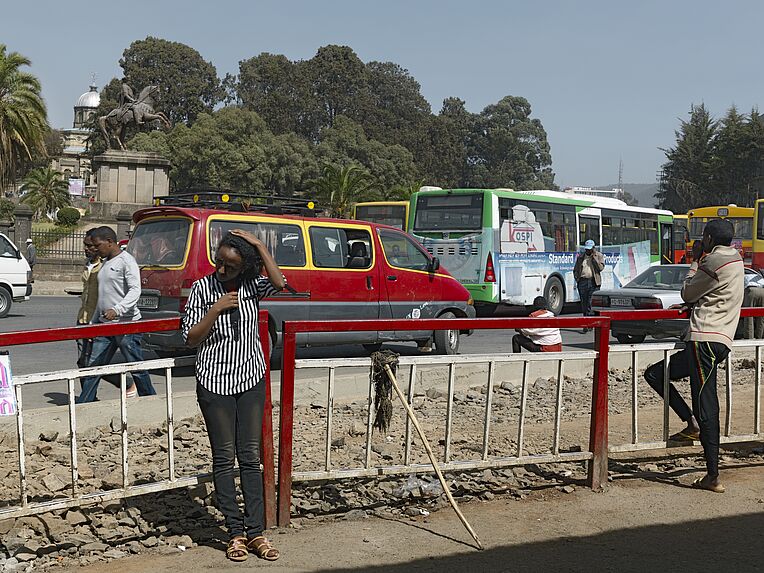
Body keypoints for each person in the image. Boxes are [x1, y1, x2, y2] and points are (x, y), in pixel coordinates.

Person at [182, 229, 284, 563]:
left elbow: (280, 283)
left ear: (245, 268)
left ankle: (256, 533)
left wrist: (258, 245)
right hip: (215, 380)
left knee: (250, 457)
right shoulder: (202, 288)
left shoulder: (253, 286)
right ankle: (235, 533)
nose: (222, 270)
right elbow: (190, 337)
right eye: (219, 262)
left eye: (231, 266)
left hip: (251, 378)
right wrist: (216, 309)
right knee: (224, 459)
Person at [643, 219, 743, 493]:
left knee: (706, 403)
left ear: (709, 238)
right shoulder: (735, 259)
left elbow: (687, 290)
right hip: (718, 341)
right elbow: (711, 295)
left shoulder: (712, 263)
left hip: (704, 341)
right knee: (655, 374)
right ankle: (692, 423)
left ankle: (712, 475)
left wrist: (696, 262)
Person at [76, 226, 155, 403]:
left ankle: (151, 400)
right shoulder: (105, 264)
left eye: (98, 245)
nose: (95, 249)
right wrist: (93, 325)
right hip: (105, 325)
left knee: (136, 366)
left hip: (127, 325)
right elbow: (103, 298)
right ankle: (85, 403)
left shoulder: (126, 261)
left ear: (110, 242)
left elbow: (135, 291)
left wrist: (118, 310)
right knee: (94, 366)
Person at [573, 239, 604, 332]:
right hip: (582, 282)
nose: (588, 251)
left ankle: (589, 323)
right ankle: (586, 322)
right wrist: (577, 279)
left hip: (594, 282)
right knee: (584, 303)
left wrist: (594, 258)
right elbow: (575, 270)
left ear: (593, 248)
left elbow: (600, 268)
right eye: (586, 249)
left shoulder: (598, 256)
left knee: (591, 303)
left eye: (590, 249)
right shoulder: (581, 257)